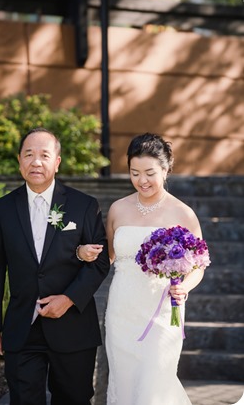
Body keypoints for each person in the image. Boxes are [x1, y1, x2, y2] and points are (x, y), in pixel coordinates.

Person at [0, 127, 110, 405]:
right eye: (28, 154)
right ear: (19, 161)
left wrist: (69, 299)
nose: (36, 162)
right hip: (22, 328)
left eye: (44, 155)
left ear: (57, 162)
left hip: (73, 326)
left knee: (74, 399)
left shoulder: (83, 206)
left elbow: (100, 261)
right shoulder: (2, 209)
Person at [104, 133, 205, 405]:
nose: (142, 180)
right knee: (124, 384)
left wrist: (185, 286)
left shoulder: (183, 213)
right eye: (134, 173)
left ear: (166, 168)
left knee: (154, 385)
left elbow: (200, 264)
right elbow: (108, 258)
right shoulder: (117, 209)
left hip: (161, 311)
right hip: (122, 311)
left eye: (149, 172)